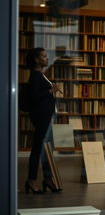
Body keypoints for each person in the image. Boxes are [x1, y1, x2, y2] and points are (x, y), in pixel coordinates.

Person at [25, 47, 62, 194]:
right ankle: (31, 180)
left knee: (47, 149)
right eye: (44, 56)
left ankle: (47, 178)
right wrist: (51, 90)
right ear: (36, 60)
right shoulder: (35, 75)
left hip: (46, 117)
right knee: (38, 149)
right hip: (41, 118)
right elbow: (33, 95)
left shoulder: (41, 75)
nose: (47, 58)